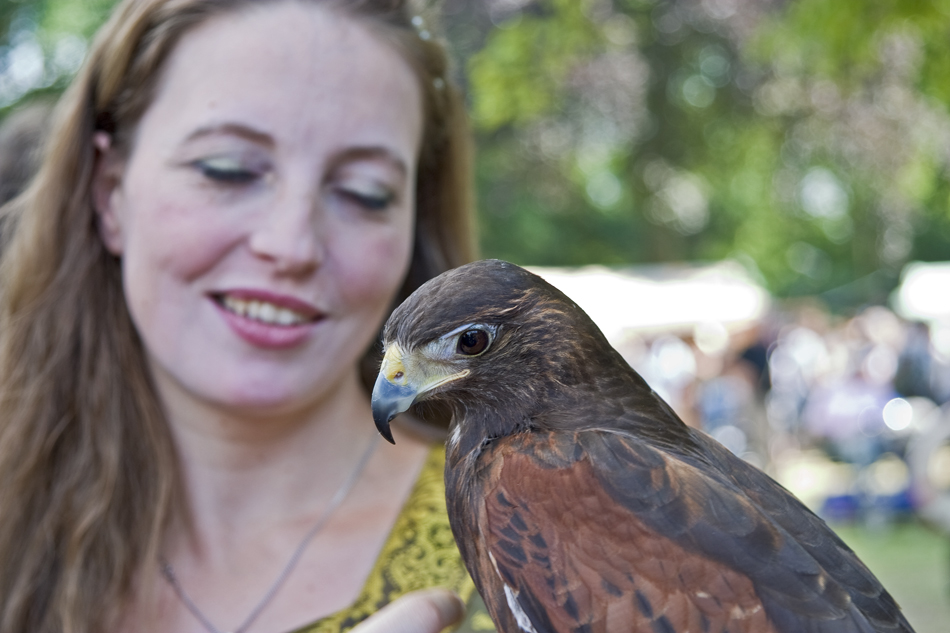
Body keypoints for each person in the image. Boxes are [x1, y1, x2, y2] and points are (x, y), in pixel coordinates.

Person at [0, 0, 479, 631]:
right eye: (226, 170)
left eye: (364, 193)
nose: (292, 245)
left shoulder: (530, 552)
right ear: (109, 192)